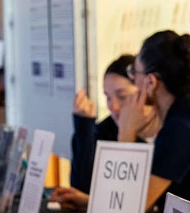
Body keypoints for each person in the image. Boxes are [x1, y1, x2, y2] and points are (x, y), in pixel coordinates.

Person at [54, 31, 190, 213]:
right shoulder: (187, 114)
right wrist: (89, 201)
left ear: (151, 82)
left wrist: (126, 132)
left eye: (134, 73)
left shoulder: (183, 128)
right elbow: (139, 201)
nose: (133, 81)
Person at [68, 55, 161, 193]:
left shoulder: (169, 129)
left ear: (147, 91)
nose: (113, 106)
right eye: (108, 97)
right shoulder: (103, 133)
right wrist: (84, 127)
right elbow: (80, 190)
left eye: (122, 96)